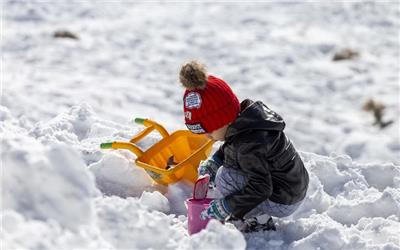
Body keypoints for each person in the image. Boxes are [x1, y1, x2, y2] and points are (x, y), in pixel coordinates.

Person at [180, 60, 309, 233]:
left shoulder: (249, 144)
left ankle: (259, 221)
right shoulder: (247, 124)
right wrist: (215, 160)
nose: (206, 135)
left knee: (225, 178)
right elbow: (232, 147)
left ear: (223, 120)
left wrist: (227, 206)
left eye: (208, 129)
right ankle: (253, 212)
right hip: (290, 187)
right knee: (226, 171)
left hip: (283, 200)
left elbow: (261, 187)